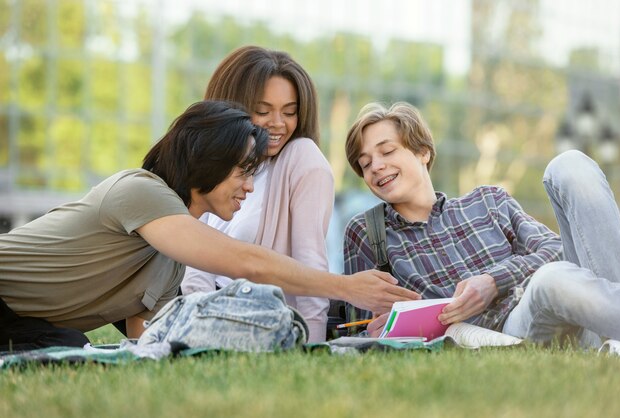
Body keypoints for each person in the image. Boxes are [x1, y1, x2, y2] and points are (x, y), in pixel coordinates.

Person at [0, 100, 418, 351]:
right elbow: (244, 261)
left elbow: (150, 342)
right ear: (209, 162)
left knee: (74, 351)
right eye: (242, 172)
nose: (250, 187)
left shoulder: (169, 265)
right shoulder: (139, 190)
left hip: (23, 322)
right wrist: (346, 287)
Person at [343, 101, 620, 348]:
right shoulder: (368, 232)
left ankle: (617, 338)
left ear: (422, 153)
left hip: (576, 312)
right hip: (509, 331)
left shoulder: (488, 201)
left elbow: (555, 249)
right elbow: (354, 327)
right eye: (365, 164)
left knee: (569, 164)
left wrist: (493, 282)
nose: (376, 167)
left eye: (387, 151)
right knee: (549, 280)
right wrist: (373, 332)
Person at [181, 46, 333, 342]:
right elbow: (195, 262)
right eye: (262, 111)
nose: (278, 123)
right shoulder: (219, 167)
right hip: (209, 318)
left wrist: (313, 345)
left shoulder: (302, 159)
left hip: (261, 324)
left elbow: (311, 262)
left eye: (289, 112)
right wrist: (195, 330)